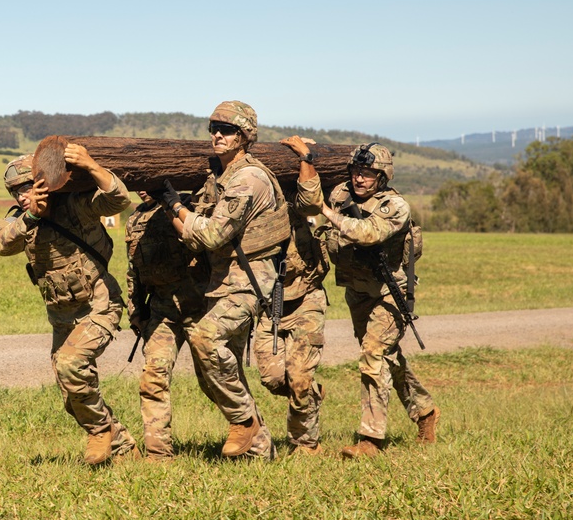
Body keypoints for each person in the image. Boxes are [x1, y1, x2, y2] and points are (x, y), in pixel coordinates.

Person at [154, 100, 289, 461]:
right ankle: (260, 450)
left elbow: (212, 235)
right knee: (211, 369)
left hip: (250, 281)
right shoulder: (222, 177)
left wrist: (177, 207)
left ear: (244, 135)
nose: (217, 134)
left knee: (204, 338)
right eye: (213, 128)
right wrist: (171, 209)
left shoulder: (248, 179)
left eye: (226, 129)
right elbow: (196, 236)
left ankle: (244, 421)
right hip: (223, 281)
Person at [0, 146, 139, 465]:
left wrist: (89, 163)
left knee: (70, 365)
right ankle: (125, 447)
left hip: (100, 305)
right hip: (61, 317)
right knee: (72, 399)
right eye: (15, 191)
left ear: (44, 183)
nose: (22, 196)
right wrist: (32, 215)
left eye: (27, 187)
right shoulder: (20, 220)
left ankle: (100, 430)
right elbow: (2, 246)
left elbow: (119, 199)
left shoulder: (75, 206)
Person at [320, 142, 440, 459]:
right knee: (386, 357)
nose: (360, 179)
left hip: (390, 291)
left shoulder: (395, 205)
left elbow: (367, 234)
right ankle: (425, 411)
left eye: (368, 173)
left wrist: (327, 213)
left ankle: (370, 440)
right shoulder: (340, 195)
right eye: (356, 171)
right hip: (358, 290)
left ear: (382, 176)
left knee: (373, 354)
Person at [251, 135, 331, 456]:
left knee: (298, 378)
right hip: (269, 305)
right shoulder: (253, 204)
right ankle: (309, 395)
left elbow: (312, 203)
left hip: (305, 298)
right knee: (272, 379)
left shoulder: (296, 204)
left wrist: (306, 158)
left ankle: (306, 444)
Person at [125, 190, 209, 461]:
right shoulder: (135, 219)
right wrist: (136, 308)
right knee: (153, 378)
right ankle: (159, 455)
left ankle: (252, 435)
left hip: (201, 306)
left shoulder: (187, 206)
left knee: (216, 379)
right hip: (161, 309)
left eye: (150, 181)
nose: (142, 187)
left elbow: (206, 243)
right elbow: (134, 269)